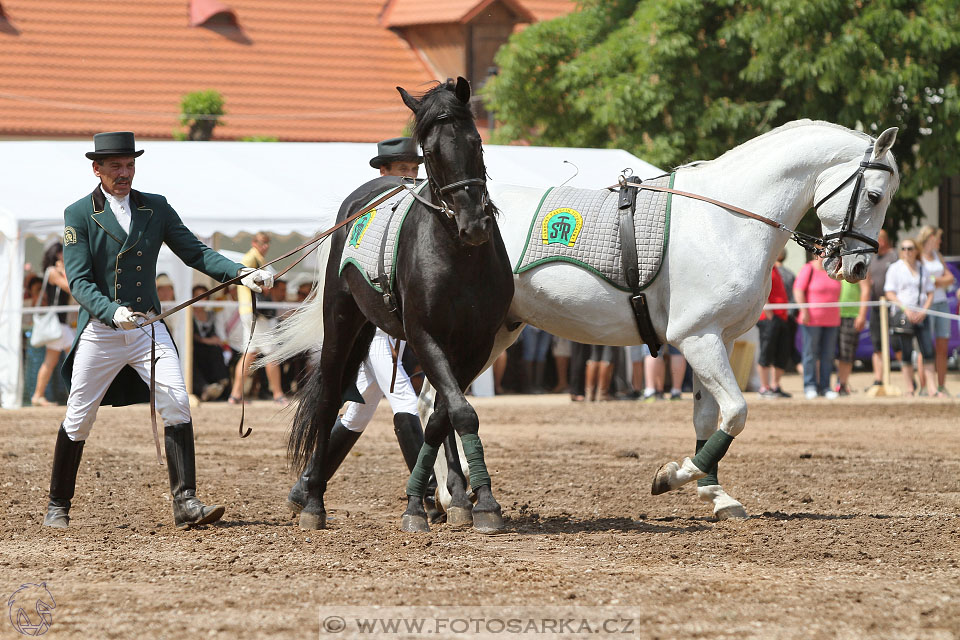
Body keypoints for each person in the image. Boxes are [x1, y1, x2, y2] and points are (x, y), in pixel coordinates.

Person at [42, 131, 273, 529]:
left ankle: (186, 503)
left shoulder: (156, 208)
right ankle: (58, 504)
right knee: (79, 417)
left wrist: (241, 273)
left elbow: (195, 252)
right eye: (116, 166)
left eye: (130, 165)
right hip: (102, 330)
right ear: (96, 169)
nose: (124, 173)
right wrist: (111, 311)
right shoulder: (78, 214)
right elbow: (79, 281)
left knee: (177, 405)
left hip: (148, 326)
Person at [287, 136, 442, 521]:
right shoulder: (368, 218)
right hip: (369, 323)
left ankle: (308, 483)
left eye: (414, 170)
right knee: (404, 401)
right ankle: (426, 491)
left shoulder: (416, 218)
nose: (411, 177)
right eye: (403, 170)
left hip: (398, 323)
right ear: (383, 172)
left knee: (357, 412)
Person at [228, 232, 289, 406]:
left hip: (249, 311)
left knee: (250, 353)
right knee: (271, 353)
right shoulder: (251, 259)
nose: (265, 246)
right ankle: (278, 393)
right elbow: (250, 281)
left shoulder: (254, 259)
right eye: (263, 242)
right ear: (254, 243)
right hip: (256, 311)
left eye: (267, 243)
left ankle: (235, 394)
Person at [884, 238, 937, 397]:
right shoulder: (895, 268)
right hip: (902, 314)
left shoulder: (923, 268)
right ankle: (910, 388)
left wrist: (924, 311)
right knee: (906, 352)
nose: (907, 251)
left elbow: (930, 291)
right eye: (904, 248)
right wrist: (905, 309)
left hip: (921, 314)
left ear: (916, 250)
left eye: (910, 248)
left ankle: (932, 388)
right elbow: (889, 292)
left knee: (927, 351)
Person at [30, 243, 75, 407]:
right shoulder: (52, 272)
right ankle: (76, 395)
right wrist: (64, 270)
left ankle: (38, 395)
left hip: (59, 324)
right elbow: (70, 288)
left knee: (50, 362)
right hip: (58, 324)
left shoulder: (53, 271)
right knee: (76, 358)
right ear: (58, 255)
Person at [794, 254, 841, 399]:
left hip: (832, 320)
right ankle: (810, 385)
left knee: (828, 355)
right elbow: (798, 290)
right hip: (811, 320)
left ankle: (825, 387)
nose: (826, 257)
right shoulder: (808, 269)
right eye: (823, 254)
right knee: (810, 354)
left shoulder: (834, 270)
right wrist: (804, 310)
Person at [916, 226, 955, 396]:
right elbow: (919, 279)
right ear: (930, 237)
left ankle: (940, 385)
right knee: (924, 347)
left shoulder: (937, 256)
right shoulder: (919, 256)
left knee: (942, 346)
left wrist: (933, 280)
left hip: (941, 303)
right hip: (926, 305)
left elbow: (950, 278)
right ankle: (923, 386)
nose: (940, 241)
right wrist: (938, 281)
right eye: (938, 238)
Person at [864, 229, 897, 387]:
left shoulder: (894, 256)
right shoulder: (872, 258)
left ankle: (908, 379)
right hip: (877, 305)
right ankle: (878, 378)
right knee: (877, 343)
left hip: (893, 306)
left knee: (897, 342)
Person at [756, 264, 792, 398]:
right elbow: (762, 289)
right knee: (766, 352)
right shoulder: (766, 268)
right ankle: (764, 388)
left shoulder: (774, 268)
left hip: (781, 316)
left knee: (782, 353)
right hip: (769, 318)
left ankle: (775, 386)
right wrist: (768, 311)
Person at [190, 284, 230, 401]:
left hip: (207, 347)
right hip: (195, 347)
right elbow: (190, 335)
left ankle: (221, 382)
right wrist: (205, 340)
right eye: (197, 296)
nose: (201, 299)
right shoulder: (189, 314)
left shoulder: (211, 314)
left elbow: (215, 332)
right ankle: (205, 388)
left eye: (204, 296)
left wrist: (214, 340)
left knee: (217, 350)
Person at [834, 278, 869, 395]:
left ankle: (842, 385)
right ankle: (832, 385)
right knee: (830, 353)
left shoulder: (857, 263)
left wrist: (862, 315)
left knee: (846, 353)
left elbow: (865, 289)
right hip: (831, 315)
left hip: (851, 315)